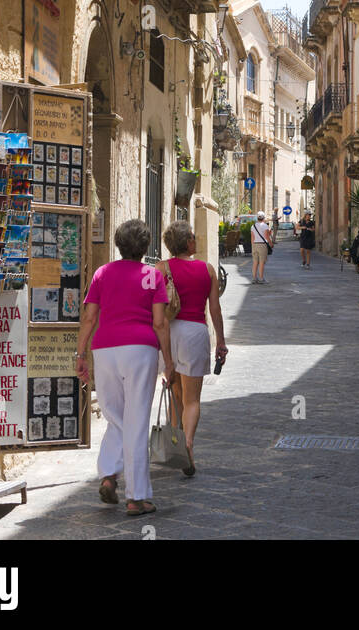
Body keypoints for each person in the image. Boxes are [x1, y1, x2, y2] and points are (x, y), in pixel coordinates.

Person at [76, 219, 174, 517]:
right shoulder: (152, 276)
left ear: (118, 244)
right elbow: (159, 322)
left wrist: (80, 354)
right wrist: (168, 361)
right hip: (141, 350)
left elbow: (90, 317)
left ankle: (108, 474)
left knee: (115, 416)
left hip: (105, 349)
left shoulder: (102, 273)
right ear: (145, 247)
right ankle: (137, 496)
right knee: (136, 421)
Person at [156, 220, 228, 477]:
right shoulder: (207, 270)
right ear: (188, 242)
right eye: (194, 237)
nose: (196, 240)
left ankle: (175, 450)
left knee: (175, 395)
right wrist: (220, 340)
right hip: (195, 333)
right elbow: (215, 310)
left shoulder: (161, 268)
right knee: (192, 399)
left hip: (168, 332)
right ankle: (187, 446)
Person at [250, 211, 271, 282]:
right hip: (262, 245)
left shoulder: (253, 226)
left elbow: (252, 237)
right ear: (263, 218)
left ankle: (254, 278)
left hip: (254, 245)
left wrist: (252, 246)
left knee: (255, 262)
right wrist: (271, 244)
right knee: (262, 262)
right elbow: (267, 237)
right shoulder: (265, 226)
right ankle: (261, 278)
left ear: (257, 218)